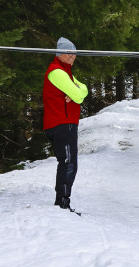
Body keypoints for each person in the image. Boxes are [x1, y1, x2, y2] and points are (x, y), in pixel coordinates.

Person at [43, 37, 88, 210]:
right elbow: (78, 96)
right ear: (59, 54)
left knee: (69, 162)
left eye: (74, 53)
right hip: (61, 123)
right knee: (68, 163)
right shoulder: (57, 72)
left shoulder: (66, 72)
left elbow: (84, 89)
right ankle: (62, 203)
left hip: (65, 123)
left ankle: (62, 202)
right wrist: (76, 92)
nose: (72, 57)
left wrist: (77, 91)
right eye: (68, 53)